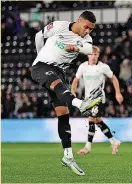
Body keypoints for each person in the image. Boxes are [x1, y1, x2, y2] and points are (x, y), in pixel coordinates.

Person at [31, 11, 102, 176]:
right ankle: (80, 104)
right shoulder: (59, 26)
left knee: (63, 114)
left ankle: (68, 156)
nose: (87, 31)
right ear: (79, 20)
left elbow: (90, 49)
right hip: (42, 66)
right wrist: (39, 56)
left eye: (91, 29)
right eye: (86, 27)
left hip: (58, 71)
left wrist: (76, 47)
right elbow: (38, 36)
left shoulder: (86, 40)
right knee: (58, 86)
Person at [71, 46, 123, 155]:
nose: (93, 56)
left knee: (91, 119)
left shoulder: (103, 67)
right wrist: (73, 92)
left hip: (98, 98)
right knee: (98, 121)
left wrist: (118, 93)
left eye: (95, 54)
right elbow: (75, 80)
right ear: (88, 55)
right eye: (91, 54)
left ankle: (87, 147)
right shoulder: (83, 67)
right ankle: (114, 141)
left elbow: (113, 78)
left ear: (98, 55)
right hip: (88, 99)